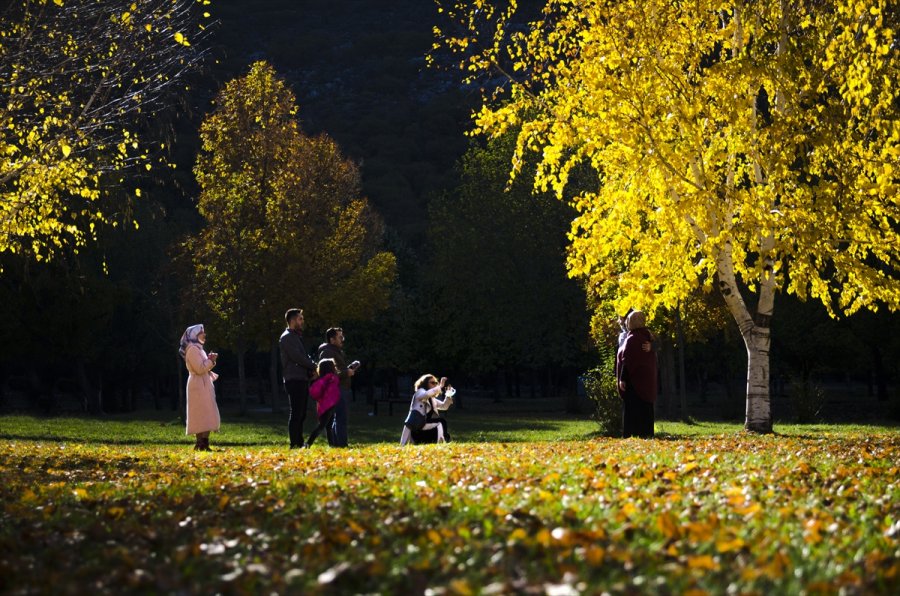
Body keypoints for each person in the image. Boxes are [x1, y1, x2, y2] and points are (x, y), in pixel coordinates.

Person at [279, 308, 317, 449]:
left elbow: (302, 357)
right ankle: (294, 442)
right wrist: (314, 366)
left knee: (301, 413)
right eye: (300, 319)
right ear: (293, 320)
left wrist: (310, 368)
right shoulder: (287, 337)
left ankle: (298, 441)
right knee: (296, 412)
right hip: (293, 379)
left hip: (300, 378)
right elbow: (297, 357)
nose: (302, 321)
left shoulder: (295, 336)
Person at [616, 310, 657, 438]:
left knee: (632, 407)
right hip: (647, 380)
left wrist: (622, 378)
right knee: (646, 407)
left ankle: (630, 433)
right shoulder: (648, 336)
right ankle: (647, 433)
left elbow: (627, 360)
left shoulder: (633, 338)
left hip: (634, 380)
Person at [180, 324, 220, 451]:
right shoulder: (192, 349)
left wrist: (209, 359)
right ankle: (201, 443)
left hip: (203, 383)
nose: (204, 336)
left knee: (207, 413)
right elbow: (199, 368)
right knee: (200, 413)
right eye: (201, 334)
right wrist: (211, 361)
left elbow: (202, 366)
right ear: (194, 335)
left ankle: (203, 443)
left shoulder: (198, 348)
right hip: (198, 385)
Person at [316, 327, 357, 447]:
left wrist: (348, 369)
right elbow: (327, 374)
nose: (342, 340)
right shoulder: (328, 352)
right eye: (340, 337)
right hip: (337, 388)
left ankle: (337, 444)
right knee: (341, 418)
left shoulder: (336, 351)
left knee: (338, 418)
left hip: (341, 387)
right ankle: (342, 445)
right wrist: (346, 373)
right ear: (332, 339)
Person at [400, 374, 454, 445]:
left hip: (425, 425)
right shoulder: (419, 392)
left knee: (441, 422)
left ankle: (443, 441)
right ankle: (444, 441)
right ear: (425, 383)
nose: (435, 385)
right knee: (441, 421)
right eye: (432, 383)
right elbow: (425, 395)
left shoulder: (432, 399)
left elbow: (444, 406)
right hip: (416, 425)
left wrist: (448, 395)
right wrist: (440, 386)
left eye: (436, 383)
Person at [305, 359, 341, 448]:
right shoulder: (333, 378)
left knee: (325, 426)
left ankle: (329, 445)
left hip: (324, 405)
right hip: (331, 405)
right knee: (325, 426)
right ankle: (310, 443)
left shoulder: (322, 380)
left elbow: (316, 392)